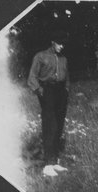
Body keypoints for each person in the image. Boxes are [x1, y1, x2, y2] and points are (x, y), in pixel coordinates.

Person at [27, 31, 70, 177]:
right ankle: (47, 165)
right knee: (49, 126)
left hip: (61, 92)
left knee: (59, 125)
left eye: (63, 44)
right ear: (53, 42)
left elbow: (67, 76)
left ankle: (55, 160)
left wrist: (66, 90)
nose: (62, 46)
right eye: (59, 43)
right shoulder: (40, 56)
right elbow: (32, 77)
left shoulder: (63, 58)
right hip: (47, 91)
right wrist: (40, 91)